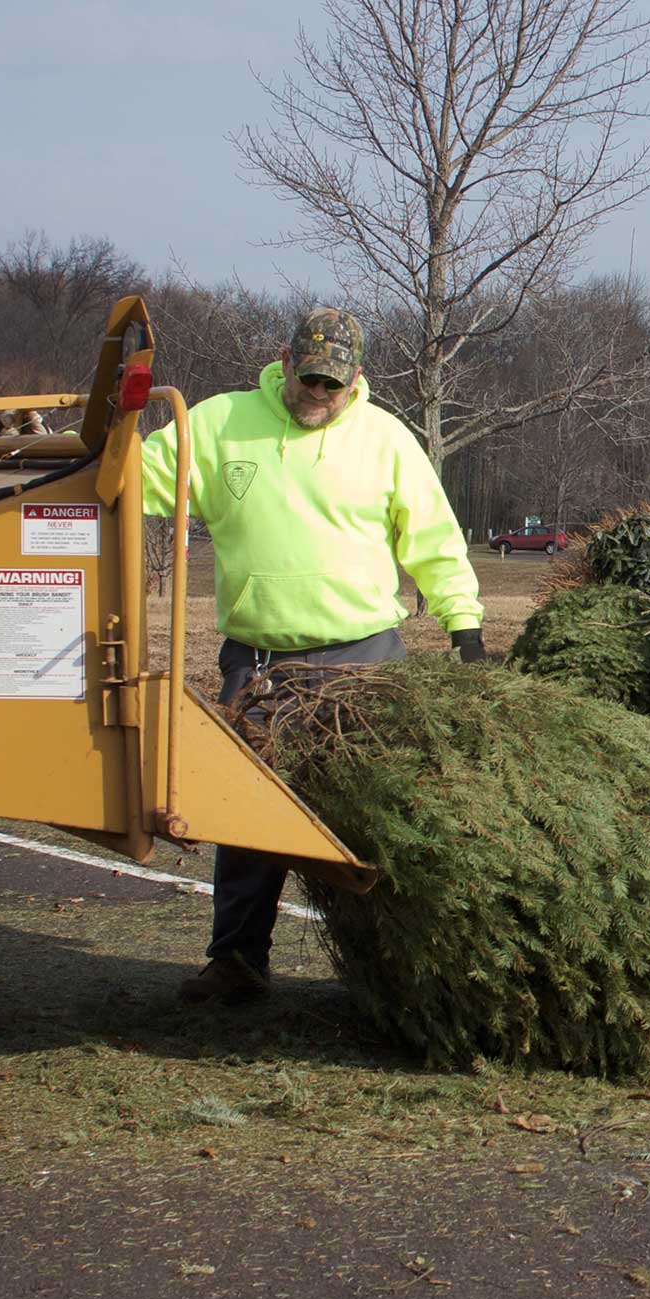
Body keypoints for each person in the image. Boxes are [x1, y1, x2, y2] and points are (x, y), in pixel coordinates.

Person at [140, 306, 488, 1004]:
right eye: (307, 382)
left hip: (366, 662)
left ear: (356, 378)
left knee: (382, 812)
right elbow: (136, 478)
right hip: (261, 663)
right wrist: (68, 459)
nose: (317, 397)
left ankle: (399, 972)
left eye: (332, 386)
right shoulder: (218, 423)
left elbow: (436, 540)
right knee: (245, 813)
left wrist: (467, 629)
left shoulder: (386, 440)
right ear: (283, 361)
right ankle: (237, 960)